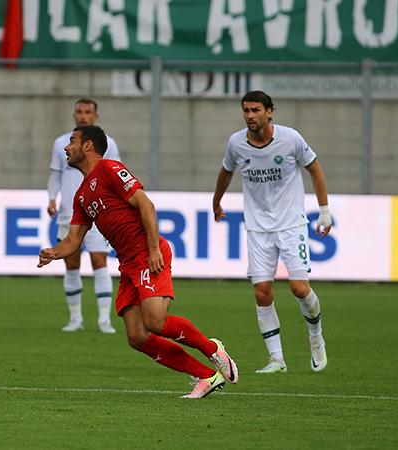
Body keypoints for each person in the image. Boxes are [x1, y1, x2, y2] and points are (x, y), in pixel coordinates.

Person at [38, 125, 238, 399]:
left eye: (71, 141)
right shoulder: (81, 196)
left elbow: (146, 205)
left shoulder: (110, 169)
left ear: (88, 146)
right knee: (137, 336)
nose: (66, 147)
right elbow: (73, 241)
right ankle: (205, 376)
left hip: (147, 252)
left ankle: (211, 349)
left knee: (155, 321)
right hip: (128, 263)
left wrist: (154, 248)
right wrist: (53, 252)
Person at [212, 90, 331, 374]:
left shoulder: (291, 139)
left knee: (299, 288)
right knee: (262, 293)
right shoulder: (236, 143)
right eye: (246, 111)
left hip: (291, 224)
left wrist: (324, 211)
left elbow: (315, 169)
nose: (250, 116)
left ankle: (316, 339)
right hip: (257, 228)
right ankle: (276, 359)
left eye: (255, 110)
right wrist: (216, 200)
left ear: (269, 111)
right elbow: (226, 171)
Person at [47, 98, 119, 334]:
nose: (83, 115)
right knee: (71, 263)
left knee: (100, 261)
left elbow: (116, 176)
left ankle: (104, 320)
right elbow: (56, 176)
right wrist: (51, 199)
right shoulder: (62, 144)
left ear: (96, 116)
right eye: (79, 111)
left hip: (98, 211)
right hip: (70, 212)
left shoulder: (108, 144)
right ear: (74, 115)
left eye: (88, 112)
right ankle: (75, 318)